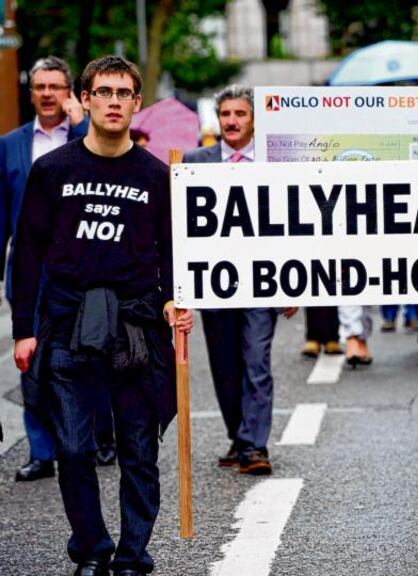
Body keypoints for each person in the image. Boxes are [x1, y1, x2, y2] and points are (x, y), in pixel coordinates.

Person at [11, 55, 192, 576]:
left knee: (138, 449)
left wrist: (175, 299)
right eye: (104, 92)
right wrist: (24, 329)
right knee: (71, 447)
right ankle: (91, 548)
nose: (114, 101)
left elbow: (173, 251)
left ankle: (133, 555)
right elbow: (27, 253)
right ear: (84, 99)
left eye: (124, 93)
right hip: (67, 321)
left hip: (136, 326)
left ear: (137, 104)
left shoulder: (158, 177)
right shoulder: (53, 171)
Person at [183, 85, 296, 474]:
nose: (231, 121)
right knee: (224, 365)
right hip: (215, 282)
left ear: (254, 120)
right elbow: (183, 227)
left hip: (263, 282)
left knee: (256, 361)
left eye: (240, 114)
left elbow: (292, 223)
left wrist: (293, 282)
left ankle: (255, 445)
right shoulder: (195, 161)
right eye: (226, 114)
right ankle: (239, 435)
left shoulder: (275, 162)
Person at [0, 55, 100, 482]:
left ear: (70, 94)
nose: (46, 94)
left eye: (55, 87)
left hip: (82, 269)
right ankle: (41, 450)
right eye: (40, 87)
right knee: (30, 359)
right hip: (28, 270)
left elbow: (103, 167)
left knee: (88, 355)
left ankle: (89, 439)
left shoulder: (86, 136)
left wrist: (80, 126)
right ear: (31, 92)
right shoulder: (10, 145)